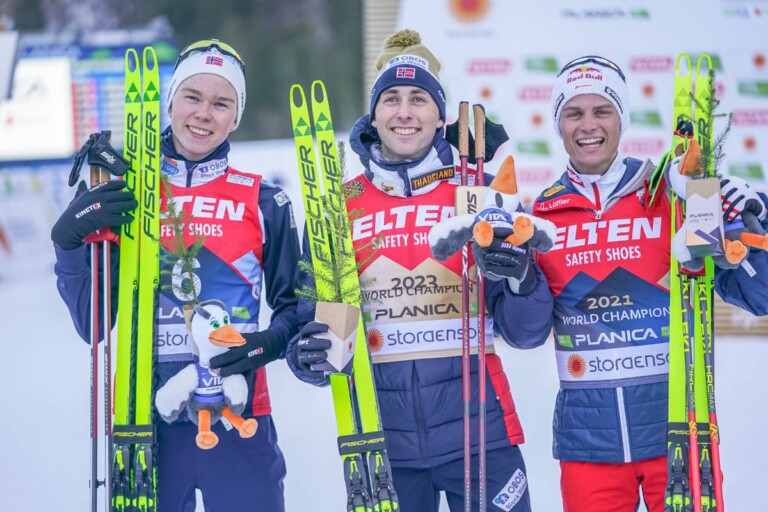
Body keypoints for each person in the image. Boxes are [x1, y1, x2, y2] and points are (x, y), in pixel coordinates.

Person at [286, 29, 552, 512]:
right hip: (380, 448)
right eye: (391, 98)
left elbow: (528, 332)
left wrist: (522, 277)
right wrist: (307, 354)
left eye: (418, 99)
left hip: (481, 439)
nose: (404, 111)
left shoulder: (481, 194)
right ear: (373, 114)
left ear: (439, 116)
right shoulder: (336, 209)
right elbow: (317, 327)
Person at [51, 39, 300, 511]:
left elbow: (296, 310)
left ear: (236, 116)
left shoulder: (264, 201)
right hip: (144, 423)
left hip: (239, 419)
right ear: (169, 102)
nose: (204, 114)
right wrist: (68, 247)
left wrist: (264, 344)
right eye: (192, 97)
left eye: (221, 102)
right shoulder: (127, 195)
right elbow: (93, 323)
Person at [516, 55, 768, 512]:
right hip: (587, 444)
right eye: (573, 112)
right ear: (558, 124)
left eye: (602, 110)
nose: (588, 125)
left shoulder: (673, 194)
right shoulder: (541, 220)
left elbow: (760, 295)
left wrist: (754, 226)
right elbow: (526, 332)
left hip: (677, 429)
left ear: (622, 118)